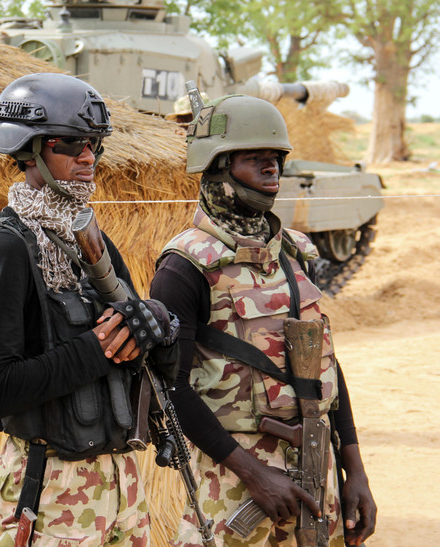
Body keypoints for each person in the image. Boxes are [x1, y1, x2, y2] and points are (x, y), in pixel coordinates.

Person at [150, 94, 377, 546]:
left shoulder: (296, 253)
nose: (272, 171)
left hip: (316, 467)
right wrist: (253, 474)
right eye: (256, 160)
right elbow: (166, 387)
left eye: (276, 160)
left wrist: (356, 470)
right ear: (217, 167)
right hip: (234, 482)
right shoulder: (185, 266)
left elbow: (325, 367)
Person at [0, 72, 177, 546]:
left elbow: (151, 360)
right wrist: (101, 348)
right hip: (48, 490)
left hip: (123, 482)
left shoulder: (93, 241)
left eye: (95, 146)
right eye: (73, 143)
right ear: (31, 149)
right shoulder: (6, 249)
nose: (88, 157)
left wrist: (159, 324)